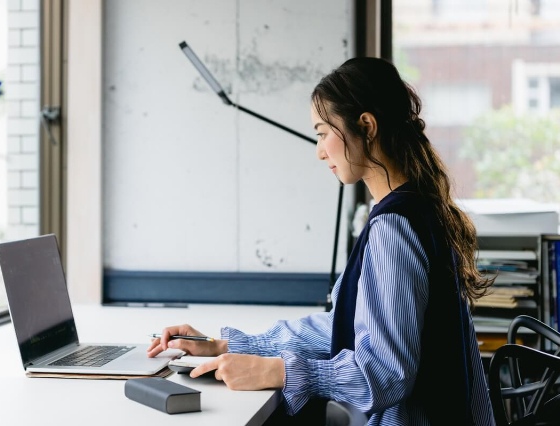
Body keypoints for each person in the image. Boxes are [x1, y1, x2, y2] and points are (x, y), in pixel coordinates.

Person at [147, 57, 496, 425]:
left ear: (366, 126)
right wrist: (228, 345)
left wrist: (281, 373)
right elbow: (346, 325)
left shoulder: (394, 227)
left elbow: (385, 373)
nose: (319, 150)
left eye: (321, 132)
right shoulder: (417, 208)